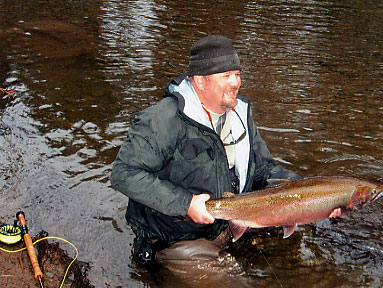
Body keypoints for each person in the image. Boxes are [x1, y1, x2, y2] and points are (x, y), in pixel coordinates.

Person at [110, 35, 301, 269]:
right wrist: (186, 204)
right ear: (200, 81)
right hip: (177, 240)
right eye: (226, 76)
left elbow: (262, 169)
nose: (236, 83)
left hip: (232, 223)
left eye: (238, 74)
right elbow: (123, 173)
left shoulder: (241, 114)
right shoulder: (162, 119)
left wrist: (306, 192)